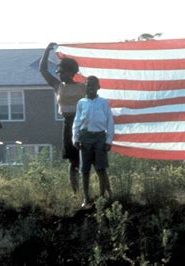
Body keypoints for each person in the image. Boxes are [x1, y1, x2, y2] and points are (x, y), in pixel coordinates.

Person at [40, 42, 86, 195]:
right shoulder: (58, 86)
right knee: (73, 161)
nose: (58, 73)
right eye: (58, 71)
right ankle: (75, 192)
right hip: (68, 125)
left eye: (61, 71)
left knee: (85, 160)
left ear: (70, 72)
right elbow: (43, 70)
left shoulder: (83, 87)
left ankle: (87, 192)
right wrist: (47, 50)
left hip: (83, 124)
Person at [72, 76, 114, 208]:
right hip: (85, 137)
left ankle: (102, 197)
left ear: (98, 87)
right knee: (85, 170)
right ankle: (86, 198)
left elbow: (110, 122)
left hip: (100, 137)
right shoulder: (81, 103)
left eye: (93, 85)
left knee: (101, 168)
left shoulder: (103, 102)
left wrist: (108, 140)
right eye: (88, 85)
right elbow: (77, 122)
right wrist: (75, 138)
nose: (90, 88)